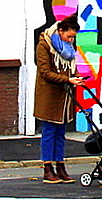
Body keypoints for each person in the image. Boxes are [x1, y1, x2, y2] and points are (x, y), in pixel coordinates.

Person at [33, 14, 85, 184]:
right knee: (49, 131)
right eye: (69, 36)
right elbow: (45, 72)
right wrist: (67, 79)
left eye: (73, 37)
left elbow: (70, 68)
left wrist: (76, 77)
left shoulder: (68, 48)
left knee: (61, 133)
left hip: (65, 96)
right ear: (60, 31)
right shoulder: (44, 45)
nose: (71, 40)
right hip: (49, 95)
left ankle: (60, 165)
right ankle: (48, 168)